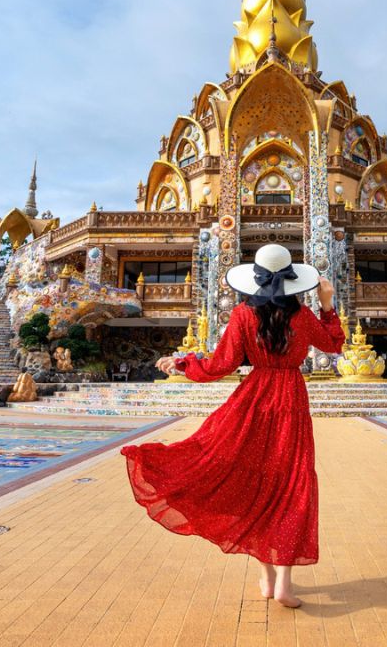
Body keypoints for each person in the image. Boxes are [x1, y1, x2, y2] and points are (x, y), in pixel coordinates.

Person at [121, 243, 344, 608]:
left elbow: (219, 365)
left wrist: (182, 364)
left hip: (253, 400)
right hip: (290, 400)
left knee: (252, 481)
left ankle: (268, 578)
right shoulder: (302, 317)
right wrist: (328, 304)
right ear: (292, 282)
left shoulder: (242, 315)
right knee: (291, 484)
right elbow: (335, 343)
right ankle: (284, 583)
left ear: (256, 280)